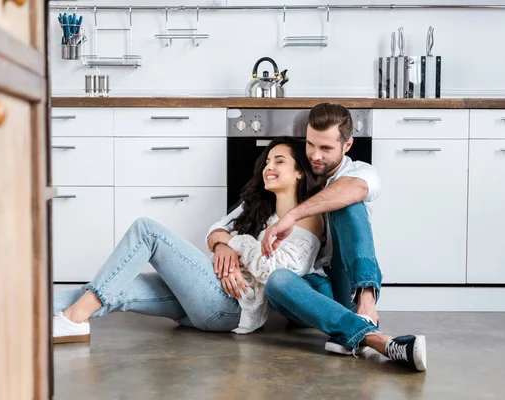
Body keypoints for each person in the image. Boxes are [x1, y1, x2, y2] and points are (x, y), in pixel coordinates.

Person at [206, 103, 427, 372]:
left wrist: (293, 216)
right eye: (311, 145)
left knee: (348, 204)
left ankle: (363, 310)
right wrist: (221, 245)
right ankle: (372, 336)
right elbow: (220, 227)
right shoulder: (284, 179)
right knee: (277, 279)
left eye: (326, 149)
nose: (315, 155)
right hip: (304, 290)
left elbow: (354, 189)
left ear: (346, 146)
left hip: (347, 288)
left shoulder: (357, 173)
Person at [52, 137, 325, 343]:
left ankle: (74, 320)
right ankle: (28, 313)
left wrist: (235, 244)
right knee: (116, 289)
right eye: (267, 162)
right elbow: (216, 230)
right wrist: (221, 244)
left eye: (279, 161)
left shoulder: (308, 217)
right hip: (204, 294)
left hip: (232, 304)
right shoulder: (256, 206)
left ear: (300, 171)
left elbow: (280, 273)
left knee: (147, 231)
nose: (269, 167)